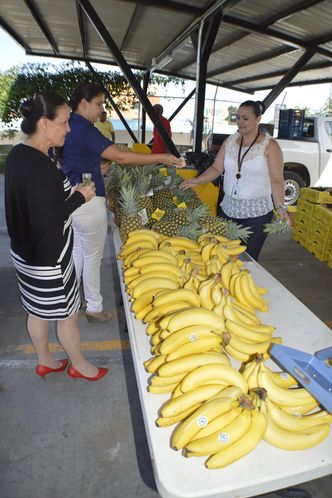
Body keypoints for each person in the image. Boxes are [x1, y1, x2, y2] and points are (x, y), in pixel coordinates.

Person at [4, 92, 108, 381]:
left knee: (36, 311)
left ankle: (45, 361)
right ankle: (80, 365)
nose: (69, 128)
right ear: (44, 123)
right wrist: (80, 197)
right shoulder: (42, 167)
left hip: (25, 255)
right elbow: (48, 219)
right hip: (50, 260)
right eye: (64, 121)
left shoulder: (18, 154)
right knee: (67, 315)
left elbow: (34, 203)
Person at [60, 83, 185, 322]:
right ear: (83, 103)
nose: (101, 109)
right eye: (98, 104)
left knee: (77, 252)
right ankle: (94, 307)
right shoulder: (85, 128)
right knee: (92, 256)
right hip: (88, 200)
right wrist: (164, 157)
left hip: (71, 196)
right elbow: (120, 156)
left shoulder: (69, 126)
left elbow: (72, 160)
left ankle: (68, 300)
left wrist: (96, 167)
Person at [180, 100, 291, 261]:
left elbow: (277, 179)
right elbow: (217, 168)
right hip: (228, 210)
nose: (240, 122)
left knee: (247, 260)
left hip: (257, 214)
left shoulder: (270, 145)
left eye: (245, 118)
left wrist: (280, 207)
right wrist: (198, 180)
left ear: (258, 119)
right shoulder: (230, 141)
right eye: (237, 117)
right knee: (222, 256)